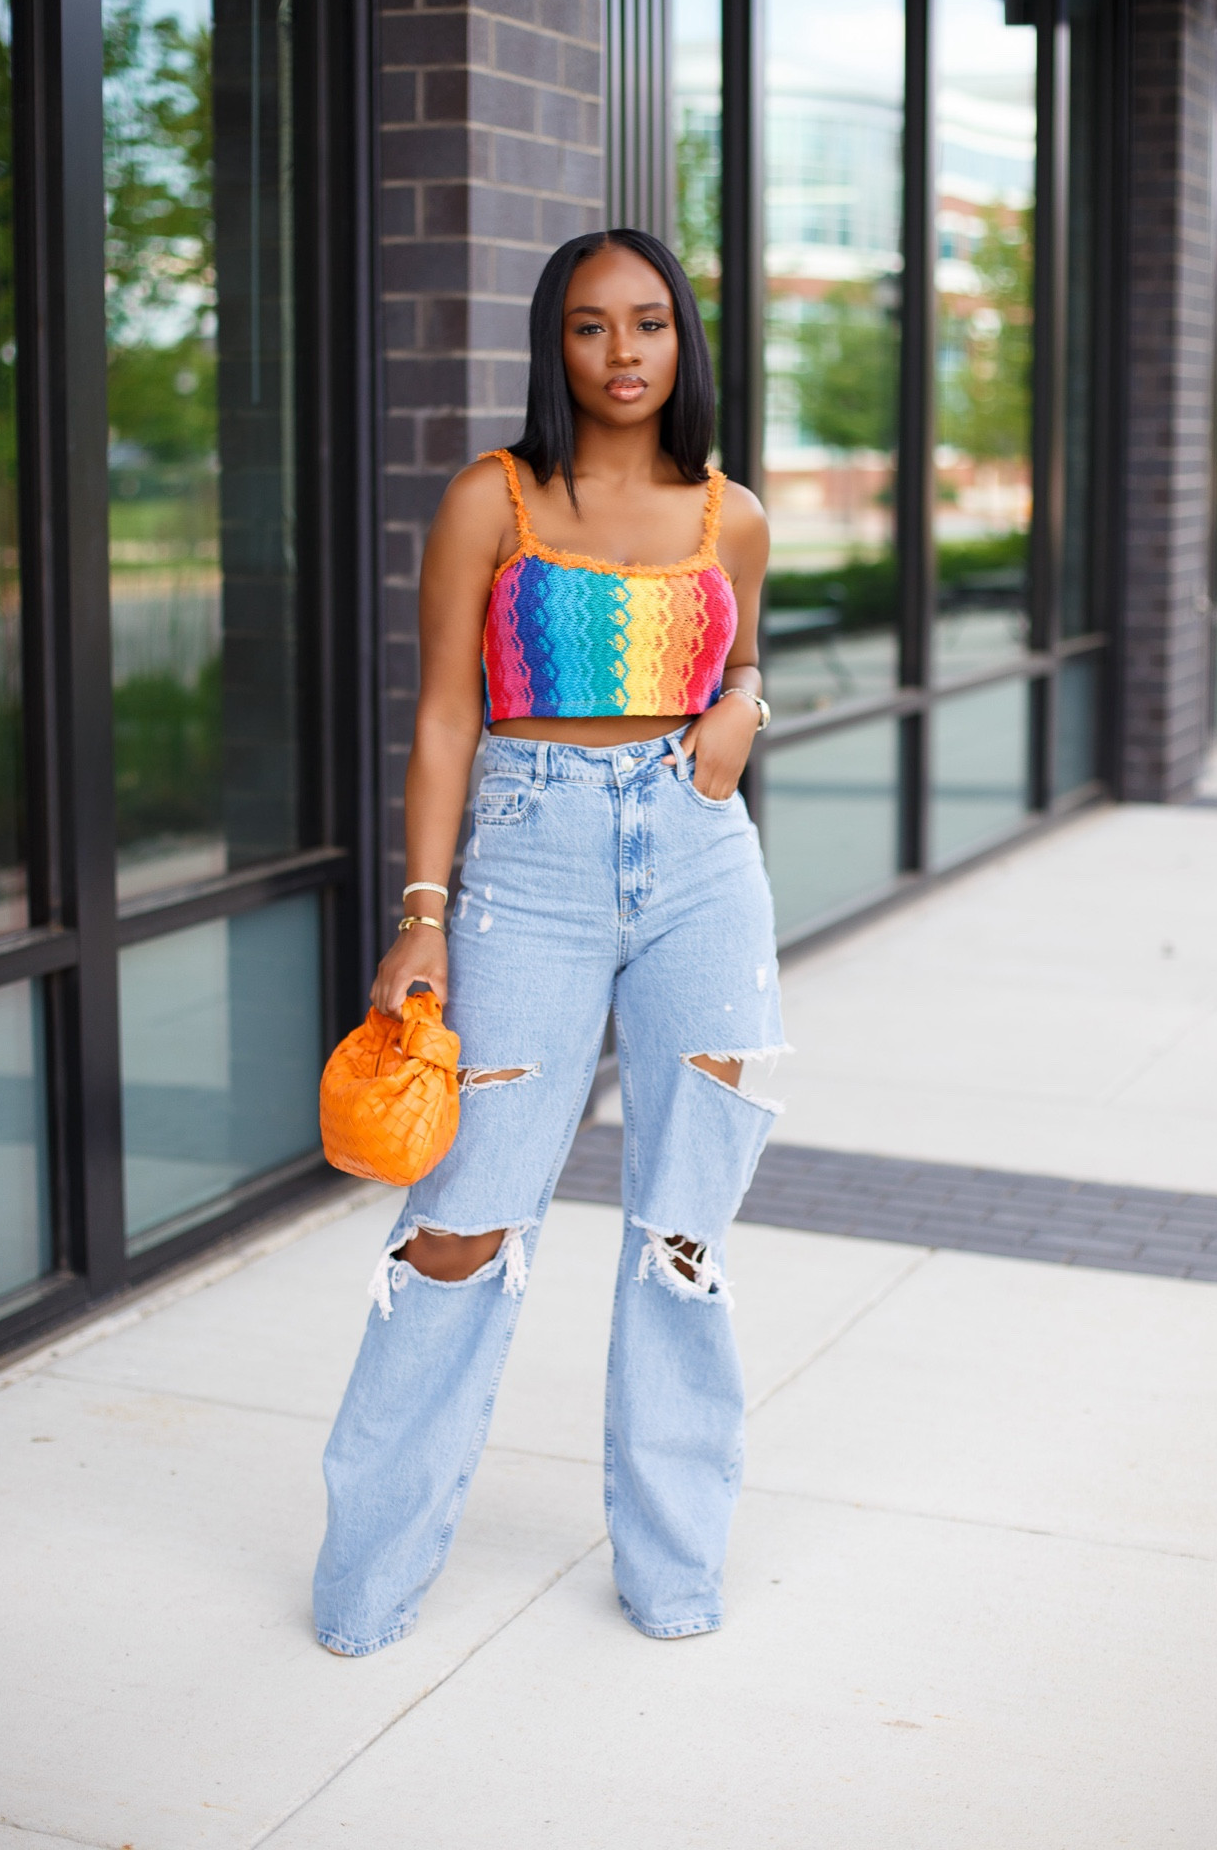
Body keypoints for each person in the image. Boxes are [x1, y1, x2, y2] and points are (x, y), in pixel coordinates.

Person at [313, 227, 784, 1656]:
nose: (624, 353)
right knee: (457, 1227)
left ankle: (674, 1573)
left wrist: (740, 710)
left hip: (700, 863)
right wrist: (421, 914)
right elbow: (445, 717)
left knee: (683, 1237)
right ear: (555, 345)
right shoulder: (494, 498)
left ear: (682, 342)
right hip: (528, 856)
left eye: (649, 324)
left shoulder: (732, 512)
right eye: (591, 327)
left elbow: (740, 652)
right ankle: (366, 1584)